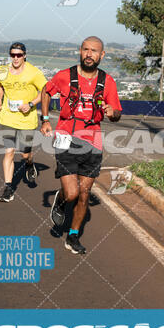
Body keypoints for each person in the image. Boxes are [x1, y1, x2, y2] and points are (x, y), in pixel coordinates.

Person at [41, 36, 122, 254]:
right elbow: (46, 92)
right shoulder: (65, 75)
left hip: (93, 141)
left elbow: (116, 113)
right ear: (80, 51)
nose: (89, 54)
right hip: (66, 137)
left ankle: (73, 236)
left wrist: (113, 113)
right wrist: (45, 119)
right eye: (86, 49)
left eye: (94, 51)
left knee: (84, 194)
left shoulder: (108, 81)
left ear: (101, 55)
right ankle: (62, 199)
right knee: (73, 193)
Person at [0, 42, 47, 202]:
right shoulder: (2, 70)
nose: (15, 58)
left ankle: (29, 163)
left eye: (19, 55)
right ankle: (8, 188)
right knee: (9, 151)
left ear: (24, 55)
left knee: (25, 154)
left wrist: (31, 104)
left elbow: (45, 91)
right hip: (8, 117)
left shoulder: (34, 73)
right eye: (12, 55)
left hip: (27, 120)